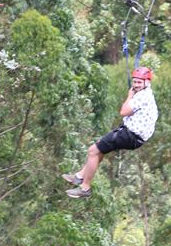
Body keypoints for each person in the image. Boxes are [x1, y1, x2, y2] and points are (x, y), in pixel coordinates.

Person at [62, 66, 159, 198]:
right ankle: (79, 176)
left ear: (147, 83)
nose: (136, 85)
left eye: (139, 82)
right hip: (132, 135)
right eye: (134, 82)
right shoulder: (147, 93)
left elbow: (123, 111)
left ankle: (85, 188)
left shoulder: (141, 96)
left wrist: (130, 95)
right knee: (99, 148)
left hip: (130, 135)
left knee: (93, 151)